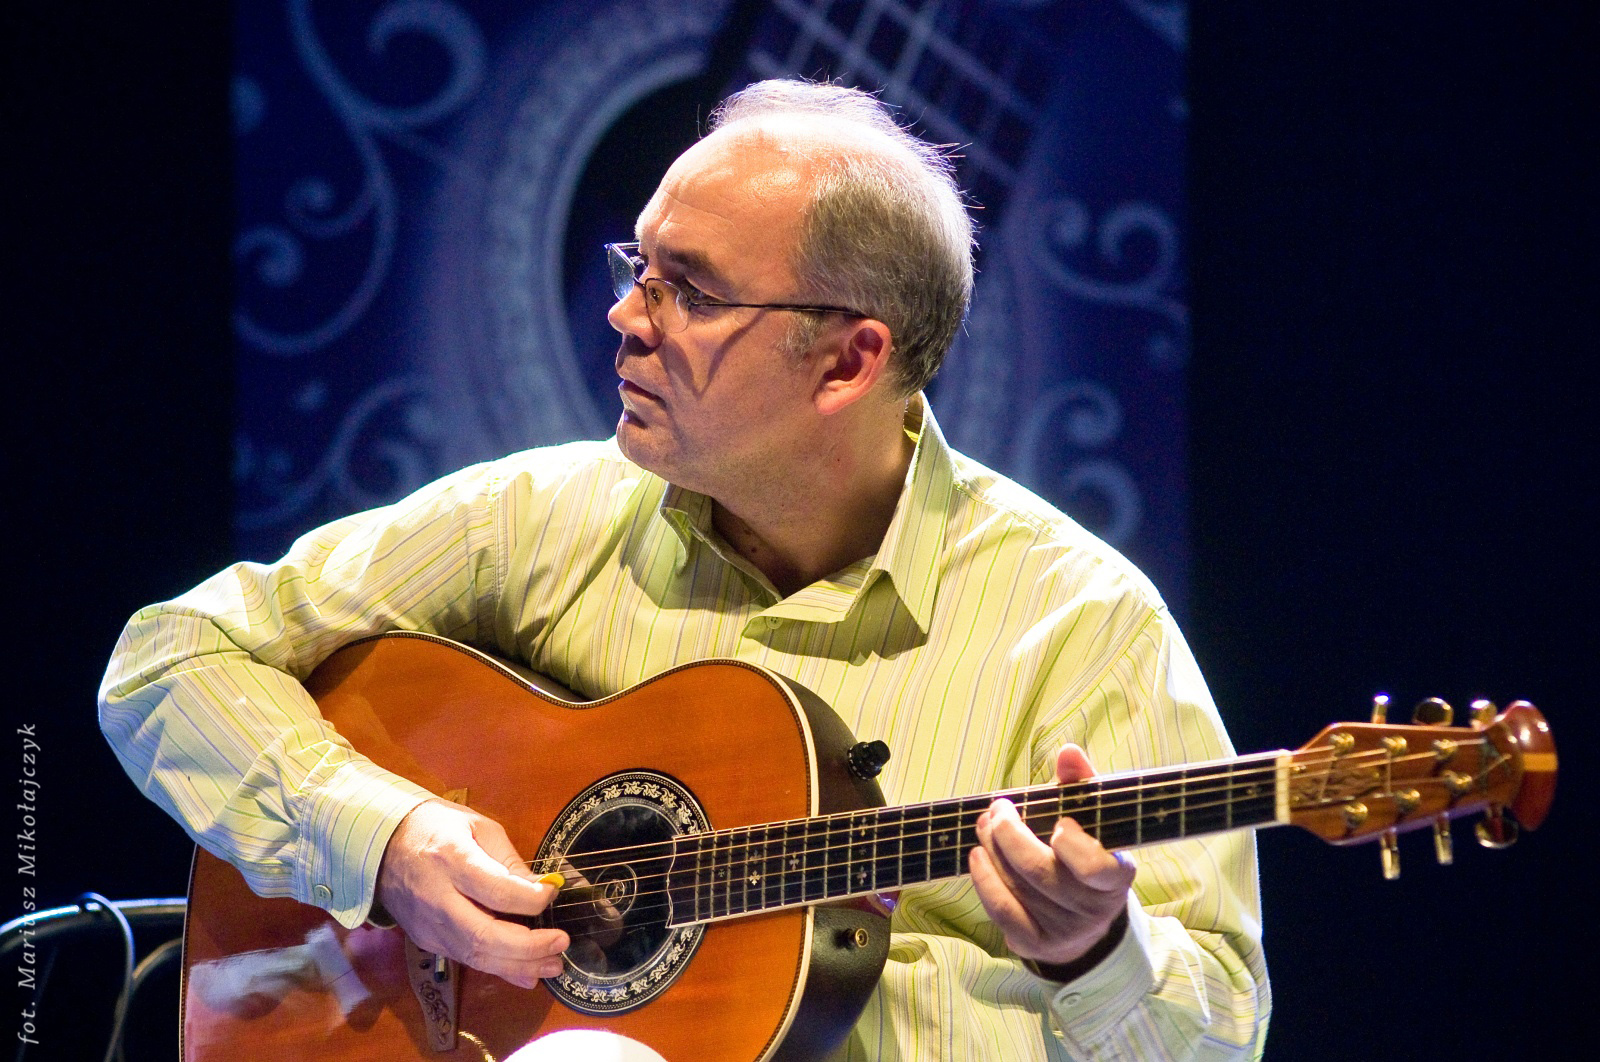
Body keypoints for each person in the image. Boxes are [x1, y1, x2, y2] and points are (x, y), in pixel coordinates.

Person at [100, 79, 1268, 1059]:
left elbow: (1221, 1035)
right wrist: (388, 840)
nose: (625, 314)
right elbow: (169, 657)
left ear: (847, 361)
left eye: (690, 291)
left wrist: (1095, 951)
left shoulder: (1080, 621)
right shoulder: (537, 520)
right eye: (637, 265)